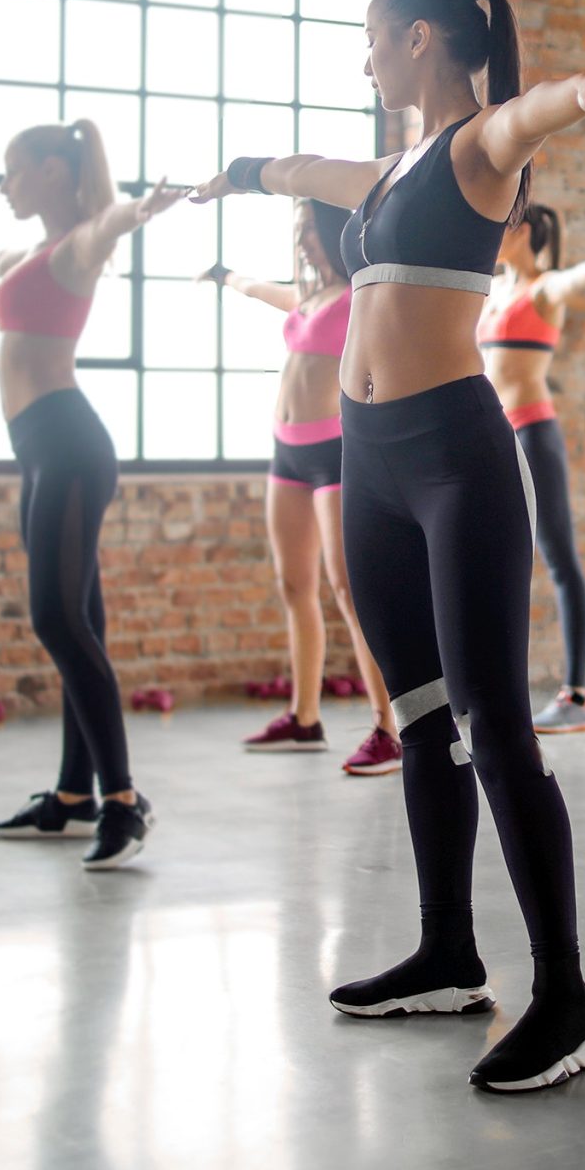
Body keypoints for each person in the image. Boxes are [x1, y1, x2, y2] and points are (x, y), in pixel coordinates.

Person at [191, 0, 585, 1091]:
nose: (363, 59)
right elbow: (307, 168)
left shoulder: (473, 150)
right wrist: (236, 174)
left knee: (495, 725)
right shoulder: (390, 169)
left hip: (455, 461)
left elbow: (522, 116)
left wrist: (583, 96)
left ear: (418, 40)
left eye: (372, 40)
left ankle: (567, 1001)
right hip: (368, 467)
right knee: (418, 719)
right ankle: (447, 953)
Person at [0, 121, 185, 871]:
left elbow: (108, 226)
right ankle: (71, 793)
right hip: (40, 451)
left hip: (68, 447)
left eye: (14, 170)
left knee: (59, 616)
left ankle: (121, 798)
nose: (4, 185)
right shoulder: (32, 252)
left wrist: (141, 207)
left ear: (55, 170)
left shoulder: (80, 243)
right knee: (75, 617)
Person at [201, 199, 403, 776]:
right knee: (295, 586)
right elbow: (263, 291)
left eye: (308, 229)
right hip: (286, 452)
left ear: (334, 229)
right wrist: (225, 276)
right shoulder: (309, 298)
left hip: (336, 453)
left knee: (349, 590)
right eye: (297, 231)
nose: (302, 241)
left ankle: (390, 728)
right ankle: (305, 717)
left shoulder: (360, 295)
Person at [477, 203, 585, 735]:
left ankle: (575, 696)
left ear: (523, 233)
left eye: (502, 225)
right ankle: (484, 689)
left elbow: (576, 279)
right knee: (490, 563)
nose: (491, 233)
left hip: (532, 434)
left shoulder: (542, 288)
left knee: (559, 559)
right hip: (491, 438)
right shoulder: (492, 290)